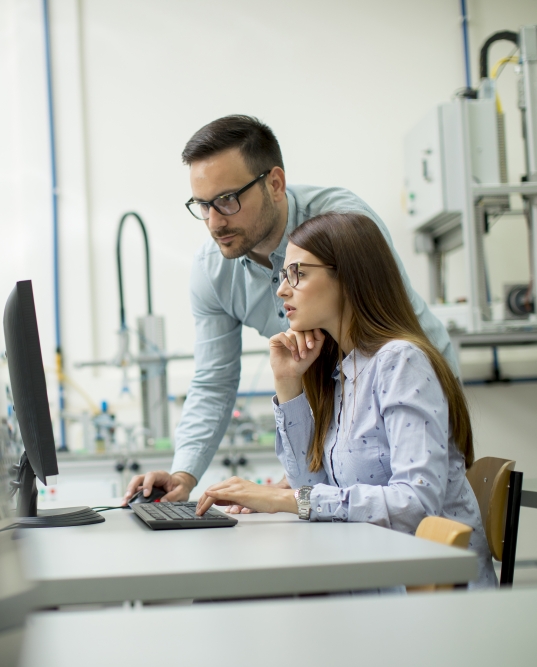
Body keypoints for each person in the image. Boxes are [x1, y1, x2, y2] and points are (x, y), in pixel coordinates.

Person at [123, 115, 457, 504]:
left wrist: (302, 495)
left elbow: (390, 328)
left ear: (275, 184)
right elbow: (214, 381)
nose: (214, 222)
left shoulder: (342, 225)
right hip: (341, 421)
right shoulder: (213, 269)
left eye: (228, 200)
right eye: (203, 205)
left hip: (411, 392)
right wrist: (185, 473)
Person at [193, 211, 495, 589]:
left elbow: (416, 505)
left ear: (348, 277)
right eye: (284, 275)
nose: (281, 290)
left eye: (297, 274)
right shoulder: (343, 370)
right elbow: (311, 480)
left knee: (233, 599)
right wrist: (288, 384)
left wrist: (282, 500)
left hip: (422, 601)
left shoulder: (401, 363)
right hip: (372, 579)